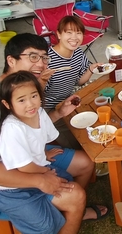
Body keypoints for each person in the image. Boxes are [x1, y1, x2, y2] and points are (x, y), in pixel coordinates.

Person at [0, 33, 107, 232]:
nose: (41, 64)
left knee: (85, 164)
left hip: (24, 155)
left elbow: (32, 127)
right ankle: (70, 206)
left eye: (44, 57)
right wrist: (40, 180)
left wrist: (58, 113)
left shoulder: (21, 88)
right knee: (71, 196)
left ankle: (71, 210)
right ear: (11, 60)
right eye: (33, 57)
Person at [0, 71, 77, 234]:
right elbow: (24, 167)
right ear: (7, 104)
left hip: (34, 171)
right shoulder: (12, 128)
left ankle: (57, 212)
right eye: (21, 100)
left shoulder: (40, 113)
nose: (30, 104)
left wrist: (44, 153)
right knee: (45, 226)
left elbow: (39, 139)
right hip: (11, 189)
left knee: (68, 182)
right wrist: (47, 172)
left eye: (34, 96)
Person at [44, 15, 103, 149]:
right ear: (58, 34)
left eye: (78, 33)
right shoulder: (47, 59)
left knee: (94, 121)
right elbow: (38, 91)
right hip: (50, 110)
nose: (74, 37)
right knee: (77, 142)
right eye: (68, 32)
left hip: (69, 102)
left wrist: (90, 69)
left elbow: (79, 81)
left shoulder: (78, 54)